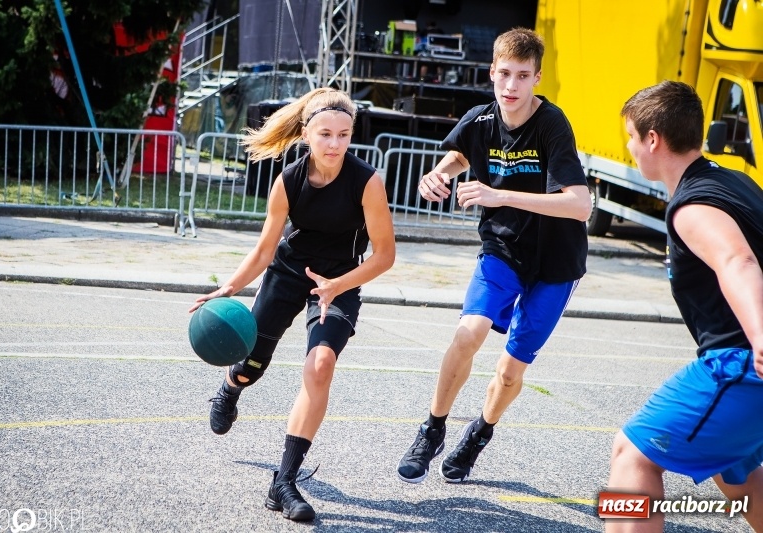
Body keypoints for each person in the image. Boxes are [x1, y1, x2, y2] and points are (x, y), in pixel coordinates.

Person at [396, 27, 591, 484]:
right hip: (503, 249)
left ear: (537, 78)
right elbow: (459, 156)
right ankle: (432, 429)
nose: (511, 87)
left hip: (557, 263)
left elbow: (580, 205)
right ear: (491, 72)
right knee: (469, 333)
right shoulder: (481, 120)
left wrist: (500, 196)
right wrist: (435, 175)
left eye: (523, 76)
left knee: (508, 371)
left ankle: (479, 433)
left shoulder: (552, 124)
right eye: (504, 74)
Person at [189, 87, 395, 521]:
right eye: (325, 134)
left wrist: (337, 285)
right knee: (250, 367)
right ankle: (230, 387)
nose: (335, 144)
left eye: (344, 135)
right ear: (306, 134)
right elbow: (264, 251)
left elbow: (384, 256)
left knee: (320, 365)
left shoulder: (367, 182)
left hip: (339, 282)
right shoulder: (289, 181)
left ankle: (283, 482)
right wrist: (227, 288)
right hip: (287, 275)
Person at [604, 81, 763, 532]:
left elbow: (738, 260)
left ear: (653, 139)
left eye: (631, 137)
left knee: (632, 453)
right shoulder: (734, 181)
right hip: (744, 363)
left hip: (741, 362)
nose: (630, 147)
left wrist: (760, 334)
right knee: (739, 478)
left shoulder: (692, 206)